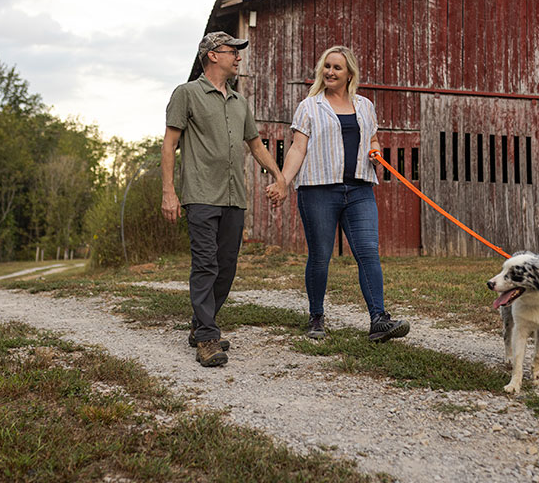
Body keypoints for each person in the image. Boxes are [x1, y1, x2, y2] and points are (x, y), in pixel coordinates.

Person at [267, 45, 409, 342]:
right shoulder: (309, 106)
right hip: (319, 189)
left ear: (349, 74)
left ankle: (379, 319)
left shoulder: (365, 105)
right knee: (320, 255)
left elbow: (373, 139)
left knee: (368, 251)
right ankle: (316, 316)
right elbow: (298, 147)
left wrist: (375, 152)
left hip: (359, 188)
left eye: (337, 68)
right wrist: (282, 181)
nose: (330, 72)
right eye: (327, 67)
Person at [162, 31, 285, 367]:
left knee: (226, 268)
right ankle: (206, 338)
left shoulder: (239, 102)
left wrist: (279, 175)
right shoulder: (186, 94)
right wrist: (168, 192)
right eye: (233, 51)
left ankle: (202, 325)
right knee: (205, 265)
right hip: (201, 195)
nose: (239, 57)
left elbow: (256, 145)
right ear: (213, 55)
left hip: (234, 197)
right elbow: (169, 144)